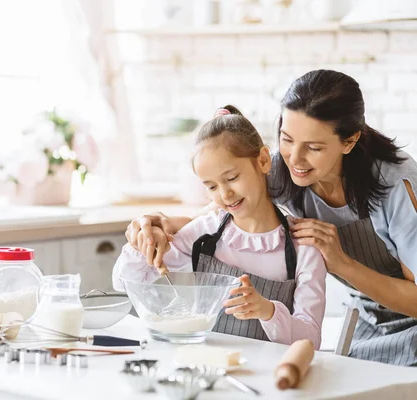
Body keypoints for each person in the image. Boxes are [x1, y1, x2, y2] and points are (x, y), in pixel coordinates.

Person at [126, 70, 417, 366]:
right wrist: (156, 224)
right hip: (367, 322)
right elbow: (221, 210)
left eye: (314, 148)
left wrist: (341, 263)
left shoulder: (396, 184)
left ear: (349, 140)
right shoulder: (282, 169)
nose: (295, 159)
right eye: (287, 139)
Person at [113, 106, 327, 349]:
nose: (225, 194)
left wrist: (268, 311)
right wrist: (144, 244)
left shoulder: (304, 248)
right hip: (209, 369)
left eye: (232, 178)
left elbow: (311, 340)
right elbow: (124, 281)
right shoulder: (204, 234)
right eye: (211, 186)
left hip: (271, 378)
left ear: (263, 161)